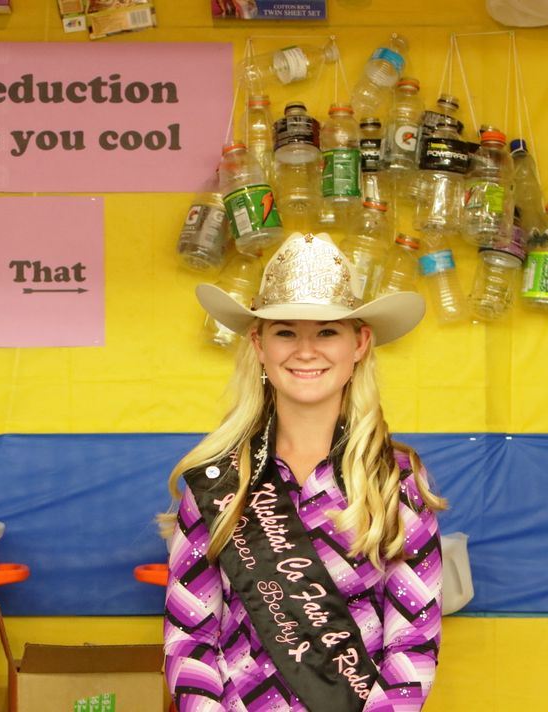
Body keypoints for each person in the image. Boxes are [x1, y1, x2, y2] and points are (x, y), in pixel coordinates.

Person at [163, 232, 447, 711]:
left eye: (328, 331)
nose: (306, 350)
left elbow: (414, 645)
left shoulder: (395, 482)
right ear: (259, 344)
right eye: (286, 331)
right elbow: (188, 641)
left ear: (359, 343)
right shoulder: (217, 483)